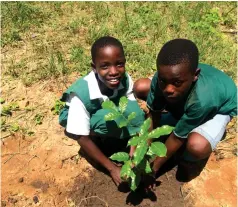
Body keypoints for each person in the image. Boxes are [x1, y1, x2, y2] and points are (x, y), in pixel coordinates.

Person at [134, 38, 237, 182]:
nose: (168, 89)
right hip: (188, 93)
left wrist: (153, 169)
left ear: (195, 75)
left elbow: (177, 137)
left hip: (220, 107)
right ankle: (181, 113)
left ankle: (187, 159)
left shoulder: (202, 100)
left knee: (196, 145)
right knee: (141, 86)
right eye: (163, 81)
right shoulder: (164, 79)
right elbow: (153, 116)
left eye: (176, 83)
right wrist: (141, 151)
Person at [59, 36, 145, 186]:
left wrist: (134, 154)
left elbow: (133, 111)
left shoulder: (124, 79)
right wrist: (112, 169)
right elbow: (81, 137)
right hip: (83, 121)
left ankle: (112, 137)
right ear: (94, 67)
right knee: (108, 121)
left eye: (119, 64)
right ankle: (96, 138)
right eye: (105, 66)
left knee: (137, 115)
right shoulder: (81, 94)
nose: (114, 72)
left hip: (106, 108)